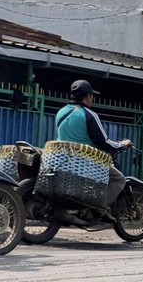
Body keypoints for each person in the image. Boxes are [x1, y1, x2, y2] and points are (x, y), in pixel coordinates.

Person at [55, 79, 132, 208]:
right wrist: (122, 144)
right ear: (88, 96)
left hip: (63, 159)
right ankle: (99, 208)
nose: (93, 98)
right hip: (85, 161)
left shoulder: (61, 112)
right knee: (119, 179)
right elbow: (104, 142)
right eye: (92, 95)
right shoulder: (89, 114)